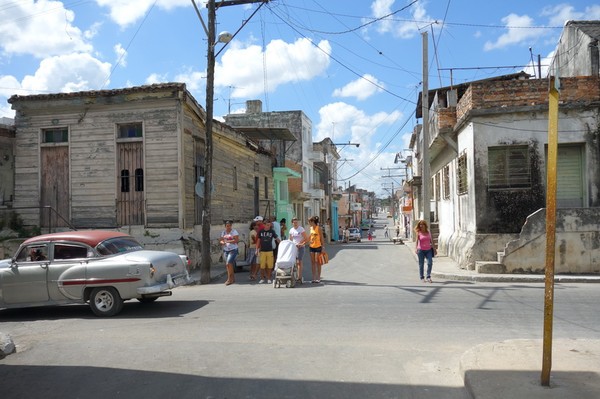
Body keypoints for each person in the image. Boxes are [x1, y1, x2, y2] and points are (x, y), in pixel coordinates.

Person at [256, 220, 280, 284]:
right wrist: (257, 249)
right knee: (262, 265)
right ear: (264, 225)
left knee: (270, 265)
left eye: (269, 225)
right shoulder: (261, 231)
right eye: (267, 225)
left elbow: (277, 238)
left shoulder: (272, 231)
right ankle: (262, 278)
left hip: (270, 250)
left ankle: (269, 278)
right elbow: (258, 241)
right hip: (262, 250)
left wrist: (282, 244)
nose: (268, 226)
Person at [288, 217, 308, 284]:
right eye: (294, 222)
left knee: (299, 261)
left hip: (300, 247)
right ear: (292, 223)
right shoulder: (291, 230)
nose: (295, 223)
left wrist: (300, 243)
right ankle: (293, 276)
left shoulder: (301, 229)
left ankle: (299, 277)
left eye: (296, 222)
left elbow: (306, 238)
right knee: (293, 262)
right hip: (294, 247)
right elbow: (290, 239)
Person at [220, 220, 239, 286]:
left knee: (228, 263)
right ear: (225, 226)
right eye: (227, 226)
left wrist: (228, 241)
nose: (228, 227)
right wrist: (223, 242)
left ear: (231, 226)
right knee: (228, 265)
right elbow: (221, 240)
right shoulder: (223, 232)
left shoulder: (234, 232)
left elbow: (236, 240)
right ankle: (232, 278)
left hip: (233, 249)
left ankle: (229, 279)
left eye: (229, 226)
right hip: (226, 250)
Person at [308, 216, 326, 283]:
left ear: (313, 222)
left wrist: (323, 247)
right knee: (312, 262)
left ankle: (318, 277)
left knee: (317, 262)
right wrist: (304, 242)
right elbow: (310, 237)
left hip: (318, 246)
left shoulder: (319, 228)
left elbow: (322, 238)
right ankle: (313, 278)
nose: (309, 223)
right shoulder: (310, 228)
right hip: (311, 246)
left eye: (309, 221)